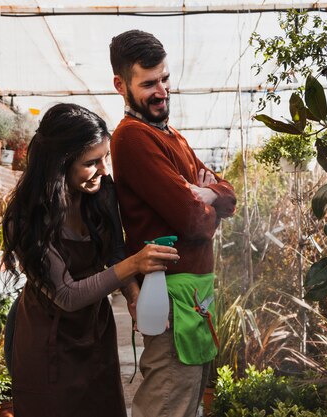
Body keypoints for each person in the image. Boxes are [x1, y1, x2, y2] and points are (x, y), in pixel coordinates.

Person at [1, 103, 180, 417]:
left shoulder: (101, 194)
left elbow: (114, 252)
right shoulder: (27, 218)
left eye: (106, 157)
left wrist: (135, 298)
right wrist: (136, 264)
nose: (105, 170)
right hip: (47, 344)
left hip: (95, 334)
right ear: (60, 163)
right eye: (92, 162)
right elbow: (67, 295)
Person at [109, 30, 237, 417]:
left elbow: (228, 193)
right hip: (170, 298)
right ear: (121, 85)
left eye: (164, 79)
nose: (162, 90)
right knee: (167, 404)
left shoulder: (173, 136)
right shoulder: (133, 137)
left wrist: (211, 195)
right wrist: (202, 202)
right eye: (148, 83)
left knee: (186, 402)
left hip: (193, 296)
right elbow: (193, 222)